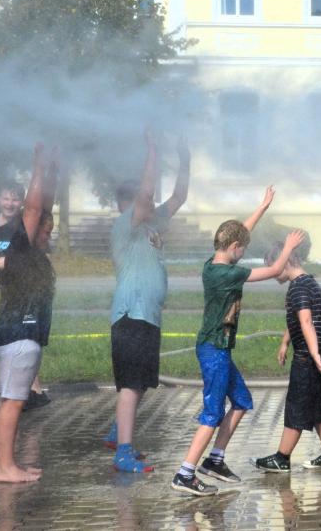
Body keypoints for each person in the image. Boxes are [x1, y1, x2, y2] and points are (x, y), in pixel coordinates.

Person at [170, 187, 305, 496]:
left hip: (219, 350)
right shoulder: (227, 274)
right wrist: (288, 246)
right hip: (213, 350)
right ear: (233, 248)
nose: (244, 252)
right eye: (242, 248)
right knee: (213, 414)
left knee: (242, 401)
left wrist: (262, 207)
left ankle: (214, 461)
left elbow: (239, 234)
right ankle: (185, 473)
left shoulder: (212, 263)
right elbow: (273, 270)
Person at [103, 131, 190, 473]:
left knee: (138, 383)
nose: (152, 205)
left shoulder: (151, 225)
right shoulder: (125, 224)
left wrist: (186, 160)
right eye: (144, 201)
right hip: (131, 314)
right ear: (127, 204)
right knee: (131, 384)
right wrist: (152, 151)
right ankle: (122, 451)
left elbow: (179, 197)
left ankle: (118, 432)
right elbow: (148, 193)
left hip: (147, 316)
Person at [0, 143, 58, 482]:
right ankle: (4, 467)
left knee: (12, 401)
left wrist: (53, 169)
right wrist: (39, 165)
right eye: (46, 230)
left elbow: (42, 206)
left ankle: (9, 464)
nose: (49, 233)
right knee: (12, 402)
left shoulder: (26, 251)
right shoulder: (23, 248)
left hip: (18, 332)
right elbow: (33, 208)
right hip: (18, 333)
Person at [253, 236, 321, 473]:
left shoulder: (298, 287)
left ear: (286, 261)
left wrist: (313, 354)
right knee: (317, 401)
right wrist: (285, 342)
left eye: (274, 267)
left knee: (298, 401)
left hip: (311, 354)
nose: (273, 273)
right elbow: (297, 319)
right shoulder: (308, 282)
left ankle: (282, 458)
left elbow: (305, 321)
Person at [0, 181, 51, 410]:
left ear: (21, 202)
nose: (10, 203)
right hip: (8, 290)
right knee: (13, 336)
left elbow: (27, 252)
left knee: (25, 337)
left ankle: (34, 391)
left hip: (28, 290)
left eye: (15, 199)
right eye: (6, 198)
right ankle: (18, 390)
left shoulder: (23, 225)